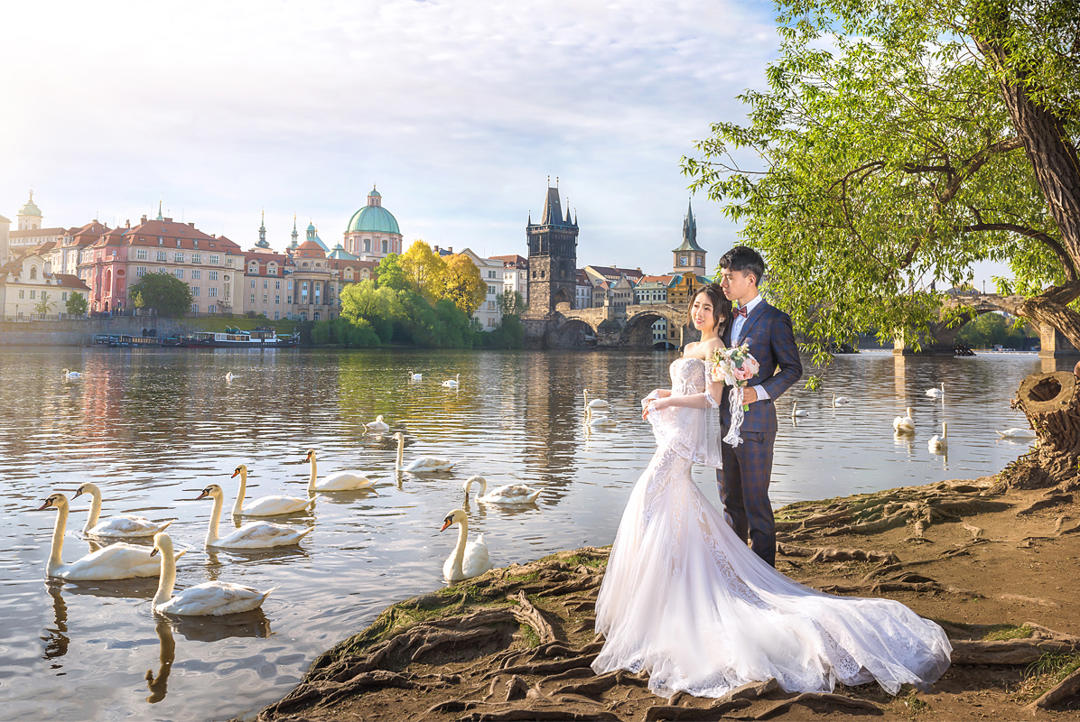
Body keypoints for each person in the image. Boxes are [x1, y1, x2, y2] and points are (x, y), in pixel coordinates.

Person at [592, 283, 951, 700]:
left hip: (681, 442)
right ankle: (660, 592)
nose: (698, 312)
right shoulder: (693, 346)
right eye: (695, 306)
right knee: (671, 509)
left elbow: (711, 400)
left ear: (720, 315)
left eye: (706, 307)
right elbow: (689, 391)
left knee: (662, 499)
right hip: (673, 436)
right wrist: (662, 394)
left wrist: (672, 404)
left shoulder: (718, 350)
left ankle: (717, 587)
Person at [717, 246, 802, 566]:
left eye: (729, 277)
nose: (723, 283)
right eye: (722, 277)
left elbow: (794, 369)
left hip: (757, 426)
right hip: (725, 424)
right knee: (729, 502)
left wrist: (762, 392)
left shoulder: (775, 320)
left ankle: (766, 574)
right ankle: (737, 570)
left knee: (756, 503)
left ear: (750, 279)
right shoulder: (725, 320)